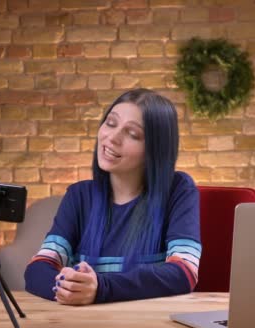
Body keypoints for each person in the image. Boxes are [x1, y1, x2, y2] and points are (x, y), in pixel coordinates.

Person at [24, 88, 201, 305]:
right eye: (110, 123)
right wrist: (68, 287)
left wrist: (101, 288)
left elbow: (184, 273)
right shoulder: (79, 195)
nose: (112, 137)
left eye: (133, 134)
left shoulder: (179, 189)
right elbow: (38, 267)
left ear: (155, 150)